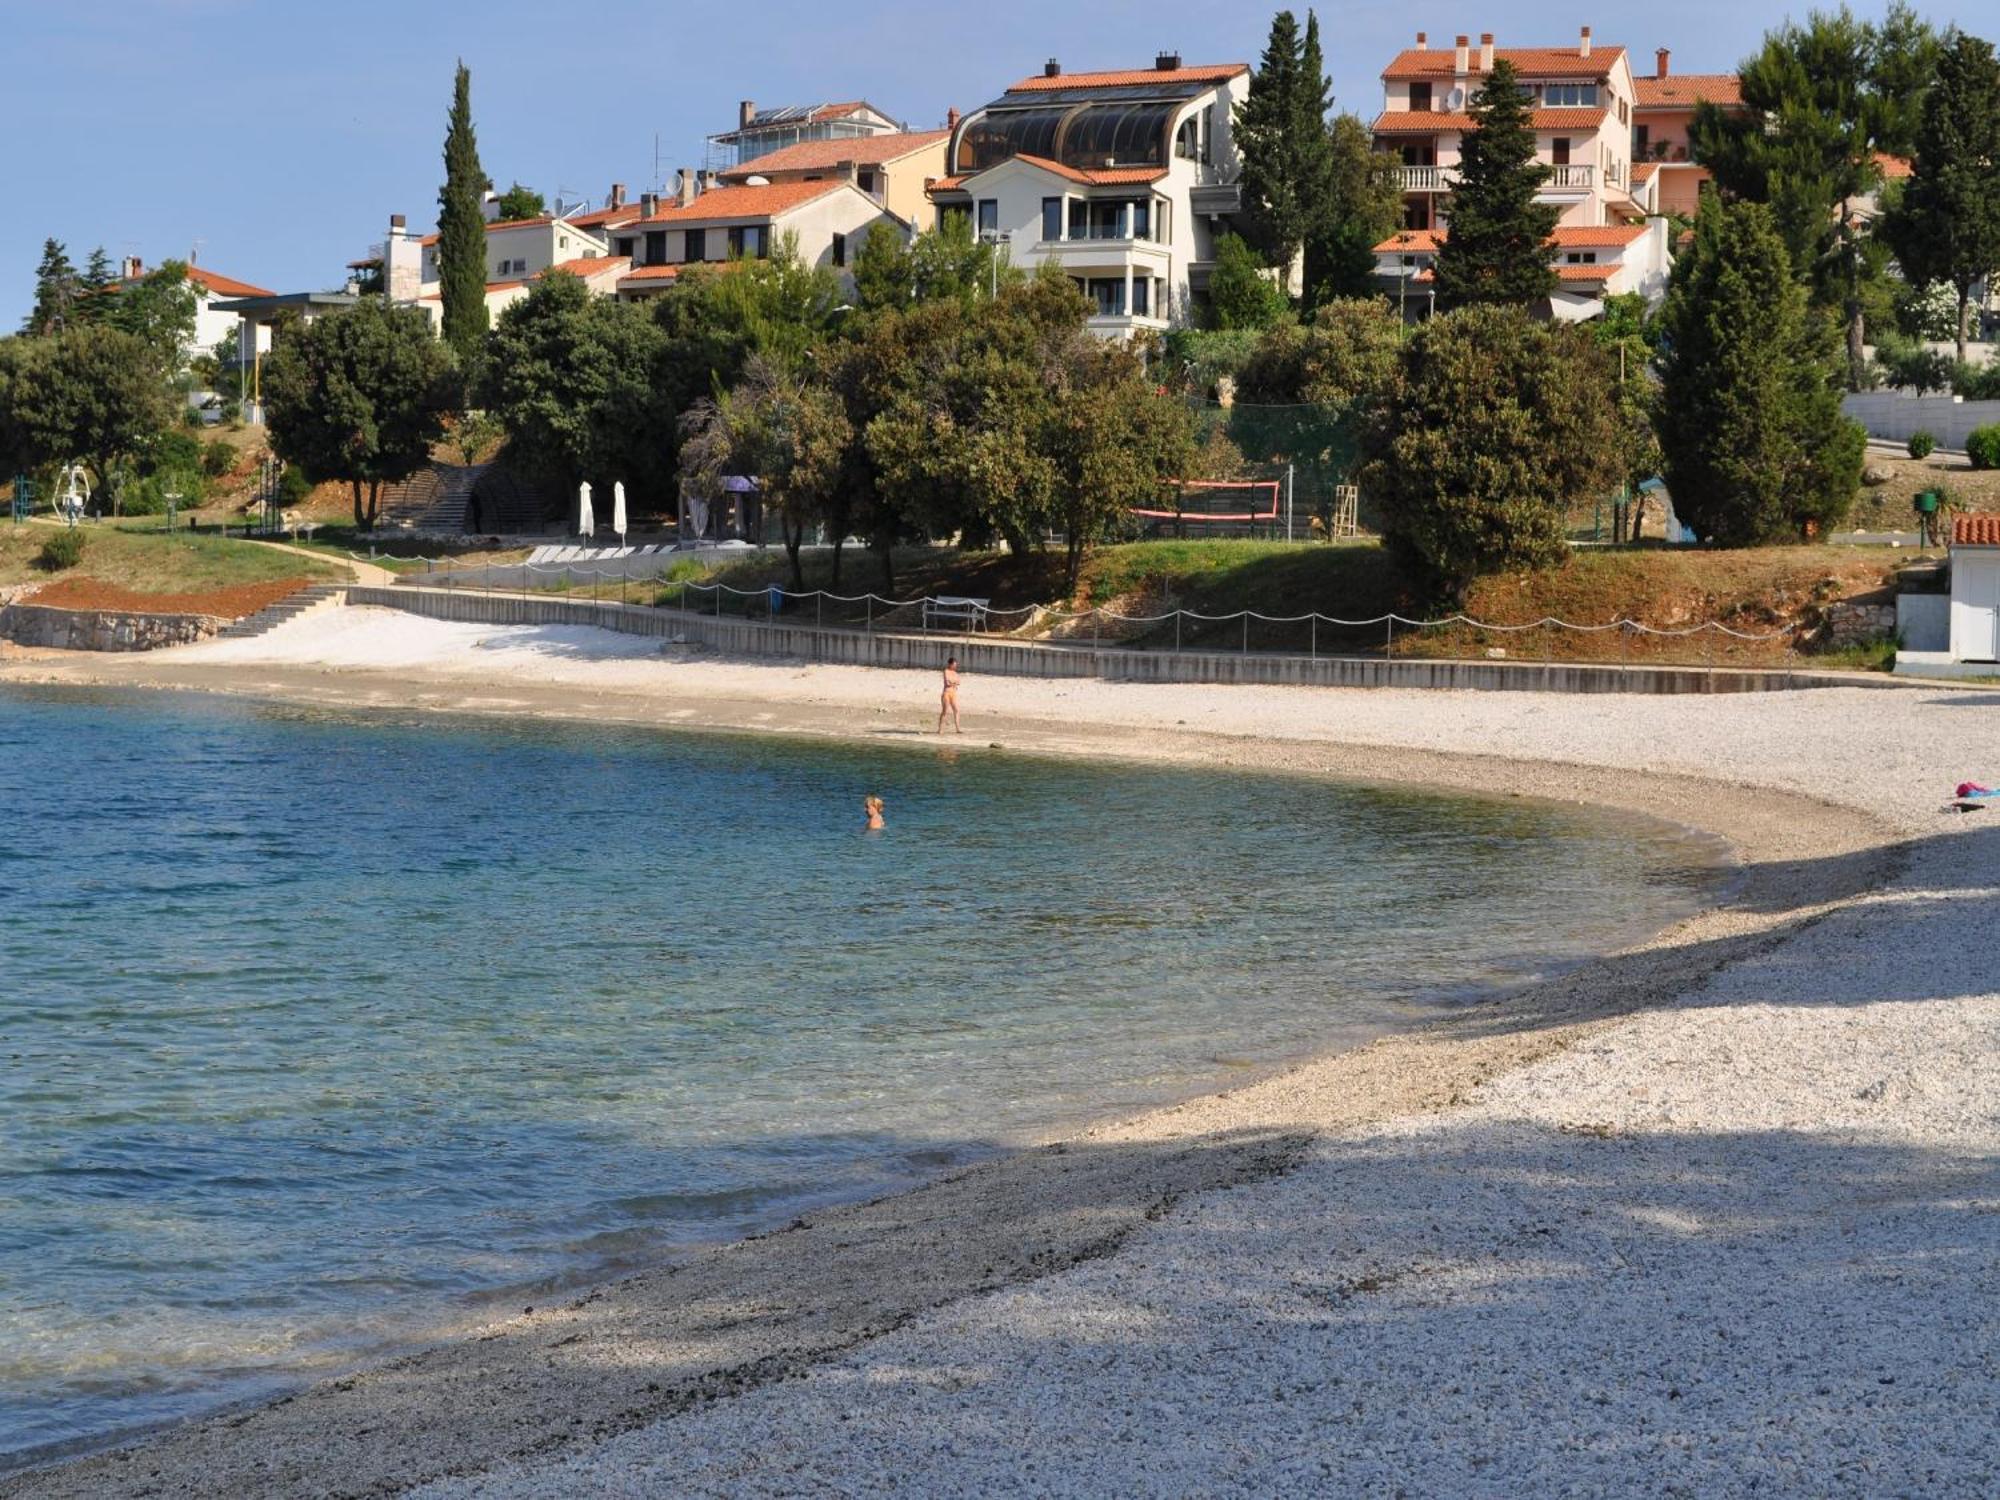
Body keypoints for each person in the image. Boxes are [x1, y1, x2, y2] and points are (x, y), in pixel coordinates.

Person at [937, 656, 963, 735]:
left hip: (953, 693)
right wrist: (953, 683)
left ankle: (958, 728)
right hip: (946, 693)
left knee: (956, 710)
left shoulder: (955, 673)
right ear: (950, 664)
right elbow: (947, 683)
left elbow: (958, 682)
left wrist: (953, 683)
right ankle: (940, 729)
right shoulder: (946, 671)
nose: (955, 666)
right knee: (945, 711)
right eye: (954, 665)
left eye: (956, 665)